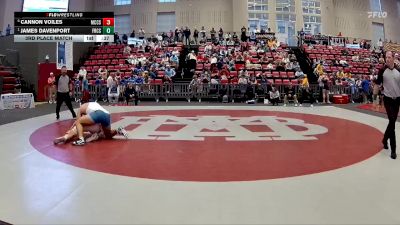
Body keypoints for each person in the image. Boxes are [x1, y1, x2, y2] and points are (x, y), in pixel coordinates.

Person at [376, 51, 400, 159]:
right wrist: (376, 95)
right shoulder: (382, 70)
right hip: (387, 99)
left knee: (392, 121)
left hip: (397, 100)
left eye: (389, 57)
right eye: (386, 57)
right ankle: (393, 150)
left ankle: (384, 139)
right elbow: (377, 83)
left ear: (393, 58)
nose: (387, 59)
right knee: (392, 122)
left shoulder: (399, 70)